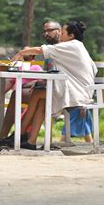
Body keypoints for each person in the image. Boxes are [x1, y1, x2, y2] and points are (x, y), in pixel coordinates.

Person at [11, 20, 97, 150]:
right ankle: (31, 141)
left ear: (71, 35)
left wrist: (21, 53)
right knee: (41, 100)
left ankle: (20, 133)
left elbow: (41, 50)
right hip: (81, 89)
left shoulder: (71, 45)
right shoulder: (77, 45)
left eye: (63, 32)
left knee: (37, 93)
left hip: (78, 92)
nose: (61, 35)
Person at [0, 21, 62, 147]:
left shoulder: (62, 48)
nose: (46, 34)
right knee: (16, 94)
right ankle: (6, 136)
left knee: (29, 95)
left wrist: (37, 81)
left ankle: (19, 135)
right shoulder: (50, 51)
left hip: (60, 91)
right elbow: (51, 73)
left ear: (60, 31)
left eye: (50, 30)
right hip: (48, 88)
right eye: (44, 31)